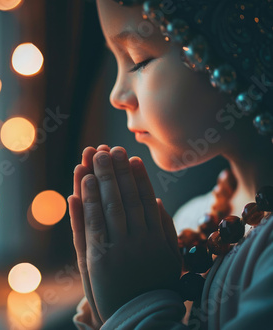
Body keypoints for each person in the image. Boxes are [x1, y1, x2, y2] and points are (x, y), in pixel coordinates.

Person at [67, 0, 273, 329]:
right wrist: (107, 300)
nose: (116, 95)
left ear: (230, 51)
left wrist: (134, 306)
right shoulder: (195, 220)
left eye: (138, 60)